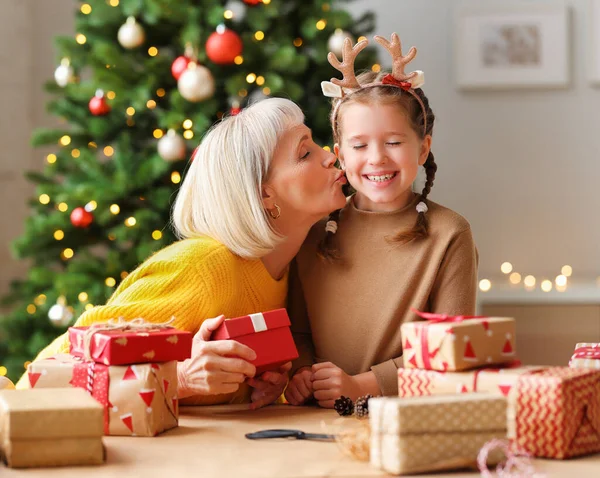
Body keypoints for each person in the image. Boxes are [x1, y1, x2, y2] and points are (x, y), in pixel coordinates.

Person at [16, 98, 348, 409]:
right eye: (305, 153)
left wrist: (271, 390)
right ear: (262, 193)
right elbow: (44, 379)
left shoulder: (290, 271)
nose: (329, 156)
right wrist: (181, 378)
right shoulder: (201, 268)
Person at [284, 34, 478, 408]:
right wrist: (304, 373)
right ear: (340, 154)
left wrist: (361, 386)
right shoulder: (314, 231)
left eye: (393, 142)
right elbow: (299, 331)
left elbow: (450, 349)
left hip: (408, 415)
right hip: (317, 418)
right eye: (359, 146)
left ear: (422, 148)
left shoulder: (450, 234)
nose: (376, 158)